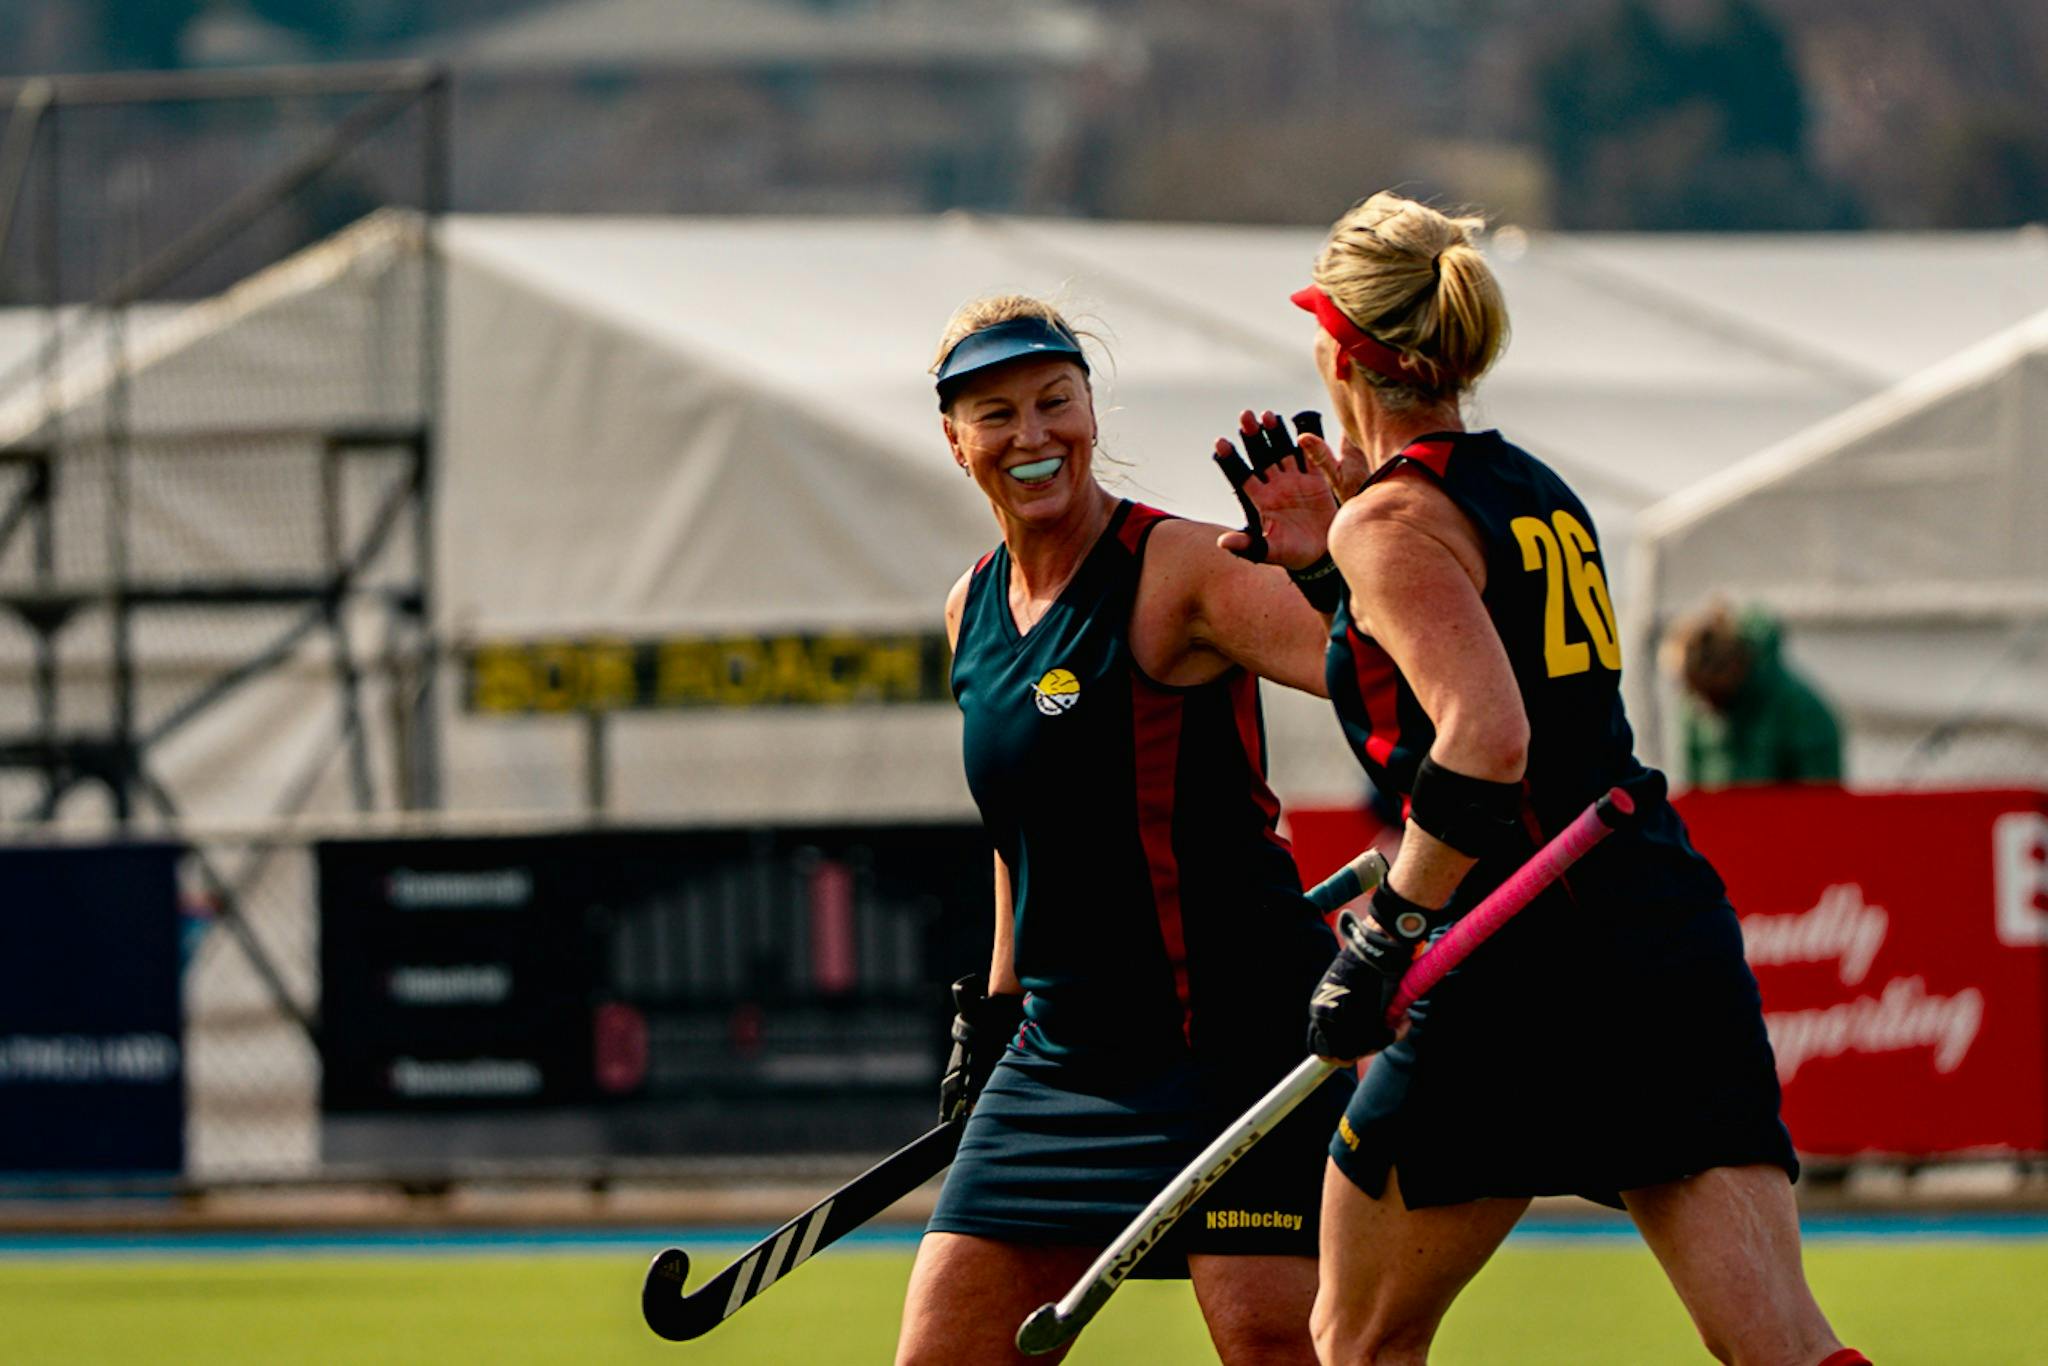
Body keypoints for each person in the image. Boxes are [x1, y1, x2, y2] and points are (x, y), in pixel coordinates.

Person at [1233, 193, 1870, 1366]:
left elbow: (1483, 737)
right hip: (1649, 922)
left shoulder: (1394, 520)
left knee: (1355, 1339)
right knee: (1779, 1344)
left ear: (1333, 348)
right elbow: (1461, 695)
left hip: (1514, 955)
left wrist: (1390, 934)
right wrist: (1332, 587)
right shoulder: (1523, 486)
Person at [896, 295, 1354, 1366]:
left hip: (1232, 1039)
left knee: (1268, 1341)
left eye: (1057, 402)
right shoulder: (970, 606)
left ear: (1091, 413)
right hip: (1059, 1057)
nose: (1033, 435)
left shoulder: (1180, 569)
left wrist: (1333, 569)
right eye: (997, 414)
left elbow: (1382, 671)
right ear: (955, 440)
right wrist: (993, 1010)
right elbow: (1021, 832)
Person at [1663, 598, 1844, 788]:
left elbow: (1821, 800)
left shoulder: (1802, 711)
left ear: (1733, 668)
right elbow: (1692, 794)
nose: (1703, 704)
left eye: (1711, 692)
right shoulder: (1693, 712)